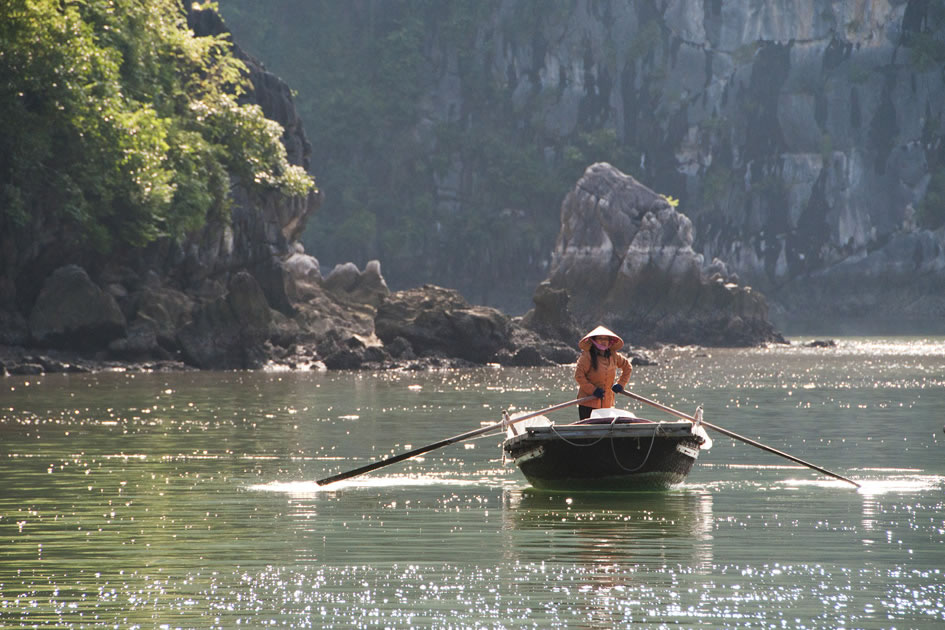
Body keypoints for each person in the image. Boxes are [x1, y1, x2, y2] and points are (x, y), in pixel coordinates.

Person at [574, 325, 632, 421]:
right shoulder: (587, 356)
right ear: (594, 340)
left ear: (610, 341)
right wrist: (593, 390)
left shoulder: (614, 355)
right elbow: (579, 376)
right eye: (600, 338)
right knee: (589, 431)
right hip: (588, 402)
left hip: (607, 404)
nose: (604, 341)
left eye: (606, 339)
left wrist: (621, 384)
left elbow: (627, 367)